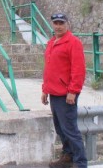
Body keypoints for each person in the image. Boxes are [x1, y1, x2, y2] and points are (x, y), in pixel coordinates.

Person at [41, 13, 87, 168]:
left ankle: (80, 162)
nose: (58, 26)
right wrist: (44, 90)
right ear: (52, 24)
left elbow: (78, 69)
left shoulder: (73, 43)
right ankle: (68, 157)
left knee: (70, 130)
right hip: (54, 92)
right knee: (60, 128)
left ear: (67, 24)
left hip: (66, 94)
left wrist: (73, 91)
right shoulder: (52, 42)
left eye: (61, 23)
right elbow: (49, 68)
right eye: (56, 23)